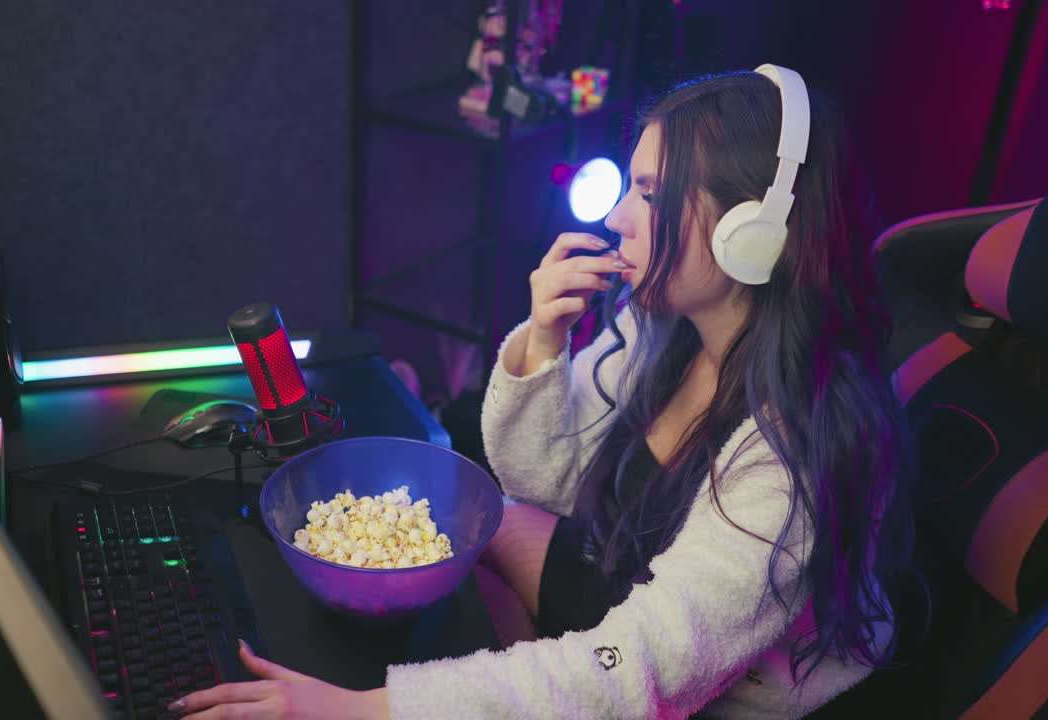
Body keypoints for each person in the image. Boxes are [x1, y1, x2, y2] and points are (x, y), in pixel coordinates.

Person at [167, 64, 915, 720]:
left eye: (651, 194)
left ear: (749, 234)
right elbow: (540, 482)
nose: (617, 216)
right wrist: (542, 345)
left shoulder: (791, 457)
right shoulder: (668, 329)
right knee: (481, 524)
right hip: (629, 583)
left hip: (703, 682)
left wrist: (367, 708)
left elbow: (641, 672)